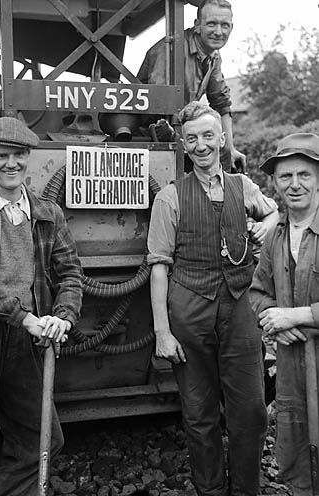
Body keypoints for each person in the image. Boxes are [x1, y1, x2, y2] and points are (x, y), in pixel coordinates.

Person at [148, 101, 279, 495]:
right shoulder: (170, 197)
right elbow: (158, 267)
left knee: (252, 411)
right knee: (199, 413)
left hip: (241, 307)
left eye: (208, 136)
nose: (201, 145)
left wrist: (266, 225)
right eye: (192, 139)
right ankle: (210, 490)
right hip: (189, 311)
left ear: (222, 139)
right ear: (183, 146)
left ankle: (245, 490)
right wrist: (162, 333)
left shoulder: (244, 187)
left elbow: (275, 215)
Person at [0, 117, 83, 496]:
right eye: (2, 155)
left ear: (28, 158)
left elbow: (72, 274)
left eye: (18, 156)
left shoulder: (47, 212)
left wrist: (63, 317)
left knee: (43, 442)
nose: (10, 164)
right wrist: (25, 318)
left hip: (25, 340)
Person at [250, 133, 319, 496]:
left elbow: (289, 314)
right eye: (286, 176)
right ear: (274, 183)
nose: (295, 185)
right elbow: (258, 292)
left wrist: (296, 316)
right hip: (294, 367)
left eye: (304, 175)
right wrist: (273, 317)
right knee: (296, 453)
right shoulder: (275, 235)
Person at [137, 0, 245, 172]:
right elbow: (159, 110)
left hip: (183, 136)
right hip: (149, 141)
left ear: (231, 28)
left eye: (225, 25)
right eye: (211, 24)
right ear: (197, 26)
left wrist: (230, 149)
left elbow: (222, 103)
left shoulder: (214, 57)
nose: (219, 32)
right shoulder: (169, 51)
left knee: (230, 172)